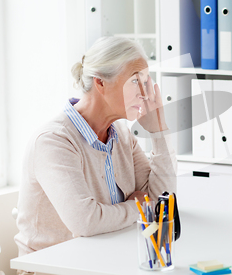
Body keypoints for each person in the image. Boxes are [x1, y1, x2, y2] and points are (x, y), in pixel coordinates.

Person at [15, 37, 177, 263]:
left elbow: (161, 202)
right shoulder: (53, 141)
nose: (144, 92)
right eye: (134, 81)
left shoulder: (121, 134)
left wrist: (159, 131)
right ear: (100, 83)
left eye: (146, 81)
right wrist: (138, 207)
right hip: (55, 269)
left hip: (106, 262)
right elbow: (85, 221)